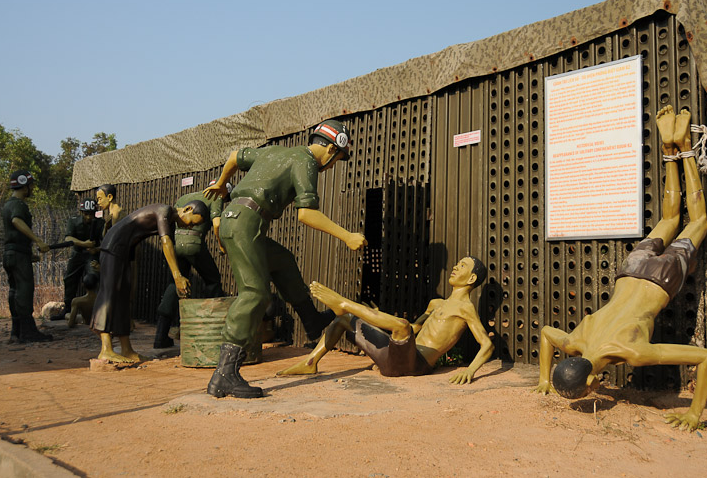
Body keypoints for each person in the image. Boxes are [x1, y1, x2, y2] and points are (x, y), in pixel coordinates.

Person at [534, 105, 707, 432]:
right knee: (669, 220)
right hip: (631, 269)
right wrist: (545, 378)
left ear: (592, 380)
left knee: (698, 220)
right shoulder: (574, 341)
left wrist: (693, 414)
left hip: (661, 279)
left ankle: (686, 147)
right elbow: (547, 334)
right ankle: (668, 148)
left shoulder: (633, 352)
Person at [204, 120, 368, 399]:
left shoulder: (275, 152)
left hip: (237, 218)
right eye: (337, 159)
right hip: (247, 223)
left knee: (282, 260)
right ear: (330, 150)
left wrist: (221, 184)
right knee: (255, 294)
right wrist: (346, 236)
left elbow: (234, 156)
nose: (332, 165)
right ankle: (224, 374)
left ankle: (312, 321)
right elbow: (306, 214)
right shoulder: (306, 162)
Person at [277, 256, 494, 384]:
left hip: (416, 365)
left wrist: (470, 370)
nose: (456, 267)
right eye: (457, 264)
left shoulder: (466, 308)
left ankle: (344, 303)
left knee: (402, 325)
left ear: (472, 278)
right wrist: (376, 319)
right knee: (345, 321)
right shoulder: (435, 303)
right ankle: (310, 363)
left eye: (462, 266)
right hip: (395, 358)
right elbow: (414, 329)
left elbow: (487, 344)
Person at [89, 201, 210, 363]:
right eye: (191, 222)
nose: (189, 227)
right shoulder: (164, 211)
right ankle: (105, 349)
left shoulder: (171, 222)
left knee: (123, 296)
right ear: (187, 209)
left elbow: (171, 249)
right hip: (113, 245)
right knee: (109, 294)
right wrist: (177, 276)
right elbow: (165, 243)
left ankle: (126, 349)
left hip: (125, 250)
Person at [154, 186, 228, 348]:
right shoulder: (216, 197)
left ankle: (161, 335)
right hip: (193, 244)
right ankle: (215, 328)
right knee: (213, 280)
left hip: (176, 245)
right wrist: (222, 246)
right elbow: (217, 224)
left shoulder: (185, 197)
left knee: (176, 283)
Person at [1, 170, 52, 343]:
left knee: (14, 291)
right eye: (31, 185)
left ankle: (16, 332)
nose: (32, 189)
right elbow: (16, 221)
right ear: (24, 187)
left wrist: (28, 254)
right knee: (24, 290)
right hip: (17, 255)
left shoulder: (7, 204)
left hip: (11, 254)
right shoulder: (18, 205)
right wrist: (37, 240)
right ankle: (28, 332)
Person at [57, 198, 104, 321]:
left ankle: (96, 308)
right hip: (77, 253)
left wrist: (96, 249)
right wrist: (84, 244)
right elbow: (68, 238)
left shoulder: (100, 223)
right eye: (86, 214)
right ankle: (67, 308)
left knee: (94, 277)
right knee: (69, 278)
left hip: (92, 254)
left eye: (91, 214)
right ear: (82, 213)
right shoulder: (73, 222)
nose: (89, 217)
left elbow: (105, 241)